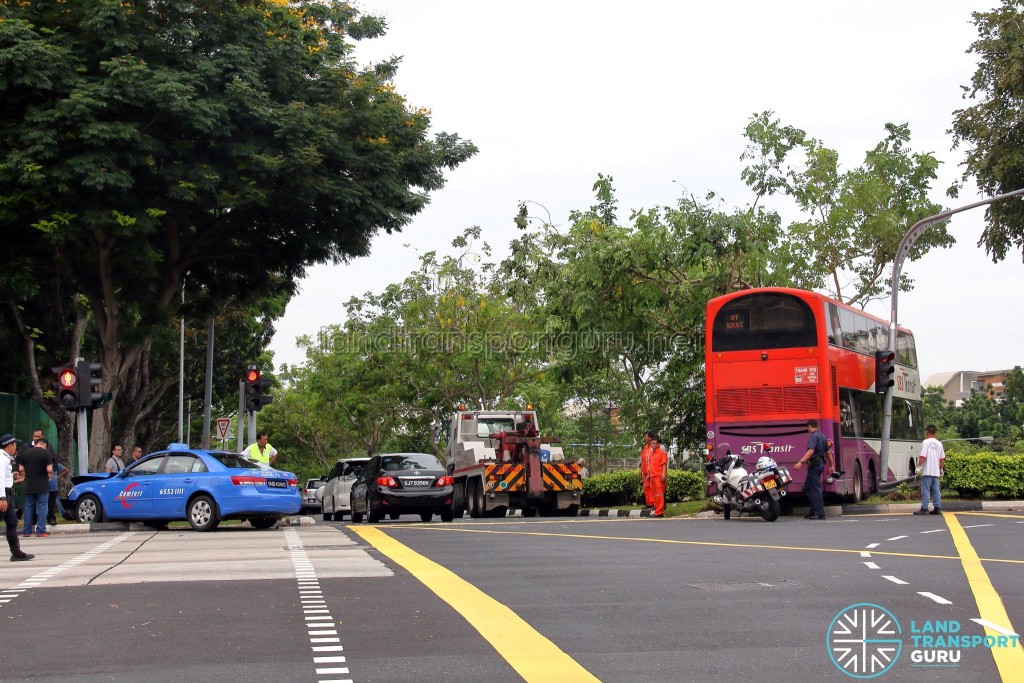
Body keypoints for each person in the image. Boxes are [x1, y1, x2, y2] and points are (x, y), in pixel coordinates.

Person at [1, 435, 33, 561]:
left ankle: (16, 552)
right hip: (3, 495)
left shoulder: (5, 458)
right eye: (15, 445)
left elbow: (4, 477)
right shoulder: (2, 459)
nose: (16, 447)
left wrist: (11, 476)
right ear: (9, 445)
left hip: (7, 494)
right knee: (11, 523)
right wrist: (2, 498)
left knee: (12, 523)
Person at [17, 436, 53, 537]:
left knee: (28, 507)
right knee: (42, 507)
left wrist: (25, 475)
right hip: (42, 484)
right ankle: (40, 530)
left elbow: (21, 468)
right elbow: (49, 470)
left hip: (29, 484)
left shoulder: (26, 453)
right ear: (44, 445)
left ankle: (26, 531)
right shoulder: (46, 453)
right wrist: (49, 477)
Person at [794, 419, 827, 520]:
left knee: (815, 488)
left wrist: (800, 462)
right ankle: (813, 510)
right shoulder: (822, 436)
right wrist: (832, 465)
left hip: (814, 465)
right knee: (808, 487)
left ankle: (820, 513)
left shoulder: (813, 436)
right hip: (820, 464)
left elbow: (811, 451)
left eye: (807, 427)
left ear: (809, 426)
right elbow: (828, 452)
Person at [914, 425, 946, 516]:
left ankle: (924, 508)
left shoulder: (925, 442)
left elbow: (923, 456)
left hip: (927, 470)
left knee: (926, 490)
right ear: (935, 432)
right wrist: (941, 469)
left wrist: (919, 466)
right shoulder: (939, 444)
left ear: (927, 432)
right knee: (936, 490)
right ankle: (937, 508)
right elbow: (942, 458)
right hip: (936, 472)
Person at [645, 434, 669, 518]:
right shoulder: (652, 453)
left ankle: (659, 512)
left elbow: (664, 464)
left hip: (659, 477)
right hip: (652, 477)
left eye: (655, 443)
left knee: (659, 495)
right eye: (652, 443)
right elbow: (651, 465)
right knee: (655, 495)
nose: (653, 445)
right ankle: (656, 510)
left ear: (658, 444)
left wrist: (663, 474)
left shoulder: (662, 453)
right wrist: (648, 474)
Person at [639, 431, 656, 508]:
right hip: (645, 472)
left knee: (652, 488)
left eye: (646, 436)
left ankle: (653, 503)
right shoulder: (645, 447)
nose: (645, 438)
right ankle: (648, 503)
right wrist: (640, 470)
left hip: (652, 472)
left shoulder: (654, 447)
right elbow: (643, 460)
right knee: (646, 488)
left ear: (650, 438)